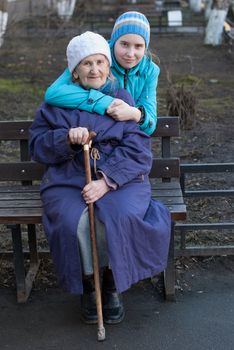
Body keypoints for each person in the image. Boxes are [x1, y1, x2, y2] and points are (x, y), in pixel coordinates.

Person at [29, 31, 170, 326]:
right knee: (74, 221)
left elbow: (138, 150)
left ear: (108, 66)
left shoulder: (121, 98)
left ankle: (111, 283)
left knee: (117, 216)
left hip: (121, 179)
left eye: (99, 62)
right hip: (68, 177)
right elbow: (37, 146)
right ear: (74, 71)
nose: (94, 69)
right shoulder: (55, 103)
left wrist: (106, 182)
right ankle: (89, 282)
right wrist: (65, 138)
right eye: (86, 64)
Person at [44, 11, 159, 136]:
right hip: (95, 131)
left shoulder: (150, 70)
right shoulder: (97, 56)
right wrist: (104, 102)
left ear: (145, 47)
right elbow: (53, 93)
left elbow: (150, 125)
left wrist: (135, 113)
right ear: (115, 41)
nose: (130, 54)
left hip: (127, 135)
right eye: (124, 44)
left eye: (138, 46)